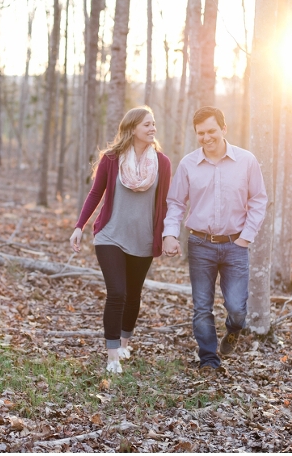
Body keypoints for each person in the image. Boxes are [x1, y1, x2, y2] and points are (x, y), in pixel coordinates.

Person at [162, 106, 267, 372]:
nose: (206, 137)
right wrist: (170, 234)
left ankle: (234, 329)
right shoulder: (188, 164)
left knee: (237, 308)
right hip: (200, 245)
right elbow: (176, 202)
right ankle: (209, 359)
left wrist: (246, 238)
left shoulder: (246, 161)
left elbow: (258, 200)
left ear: (224, 129)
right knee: (202, 307)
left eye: (211, 131)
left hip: (235, 245)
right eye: (201, 133)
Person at [70, 106, 172, 374]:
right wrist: (80, 225)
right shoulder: (112, 159)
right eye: (147, 124)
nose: (152, 128)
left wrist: (168, 235)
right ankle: (112, 355)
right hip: (110, 235)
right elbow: (95, 193)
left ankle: (125, 343)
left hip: (143, 239)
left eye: (153, 124)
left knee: (133, 294)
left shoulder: (162, 163)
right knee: (117, 293)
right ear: (132, 128)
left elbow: (165, 203)